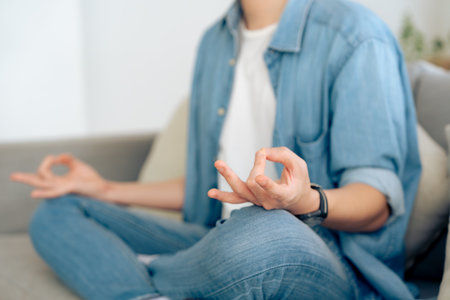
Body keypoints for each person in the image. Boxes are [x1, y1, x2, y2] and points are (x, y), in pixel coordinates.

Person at [11, 0, 421, 299]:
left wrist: (304, 201)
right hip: (215, 239)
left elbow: (377, 204)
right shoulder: (215, 43)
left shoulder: (356, 36)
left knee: (266, 230)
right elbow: (209, 186)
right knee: (58, 208)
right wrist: (106, 190)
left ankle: (138, 272)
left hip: (321, 260)